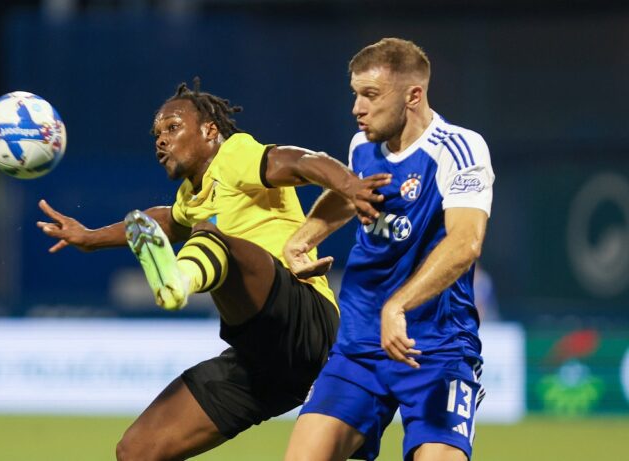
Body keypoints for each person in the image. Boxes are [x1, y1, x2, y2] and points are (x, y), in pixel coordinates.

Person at [36, 79, 391, 461]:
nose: (161, 140)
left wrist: (351, 186)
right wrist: (90, 237)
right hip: (263, 357)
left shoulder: (236, 155)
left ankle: (179, 282)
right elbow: (164, 220)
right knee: (136, 450)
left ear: (210, 131)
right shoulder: (192, 196)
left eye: (173, 127)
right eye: (157, 134)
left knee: (210, 232)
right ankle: (180, 277)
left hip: (306, 318)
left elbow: (301, 161)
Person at [282, 38, 495, 461]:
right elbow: (352, 195)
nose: (357, 108)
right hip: (360, 345)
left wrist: (397, 306)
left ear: (413, 96)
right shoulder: (362, 146)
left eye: (371, 95)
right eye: (355, 94)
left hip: (437, 348)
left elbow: (465, 242)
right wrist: (303, 238)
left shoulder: (459, 148)